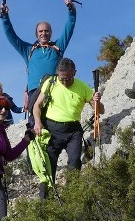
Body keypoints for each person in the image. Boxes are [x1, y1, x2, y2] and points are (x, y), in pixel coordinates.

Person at [0, 0, 76, 126]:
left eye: (46, 31)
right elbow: (11, 36)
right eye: (41, 31)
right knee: (36, 123)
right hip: (34, 91)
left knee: (55, 121)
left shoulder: (58, 47)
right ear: (36, 34)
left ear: (51, 33)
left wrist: (71, 11)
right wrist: (4, 17)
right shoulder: (28, 50)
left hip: (55, 89)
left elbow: (69, 28)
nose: (44, 33)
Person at [33, 58, 103, 195]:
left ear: (74, 73)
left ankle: (72, 195)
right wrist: (37, 122)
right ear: (58, 74)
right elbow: (37, 105)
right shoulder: (50, 83)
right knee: (49, 165)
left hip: (73, 130)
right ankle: (46, 200)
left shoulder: (83, 87)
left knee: (75, 161)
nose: (65, 82)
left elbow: (100, 110)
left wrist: (97, 102)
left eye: (68, 78)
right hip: (52, 129)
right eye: (62, 79)